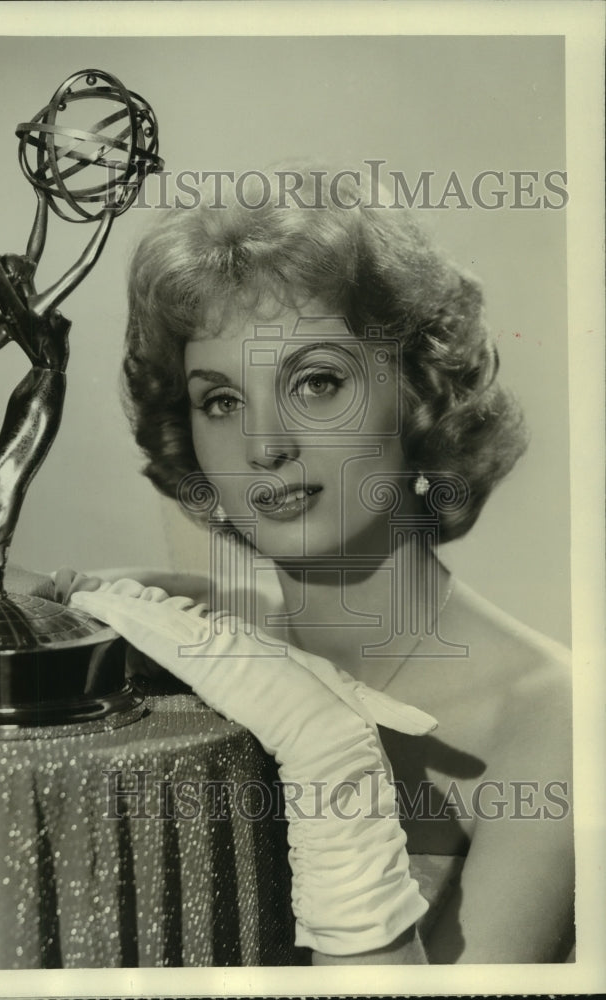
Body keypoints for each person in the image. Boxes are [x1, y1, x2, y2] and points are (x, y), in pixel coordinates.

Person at [53, 168, 573, 965]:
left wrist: (326, 747)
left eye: (316, 382)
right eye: (220, 401)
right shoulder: (212, 643)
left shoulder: (554, 724)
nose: (264, 447)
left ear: (419, 392)